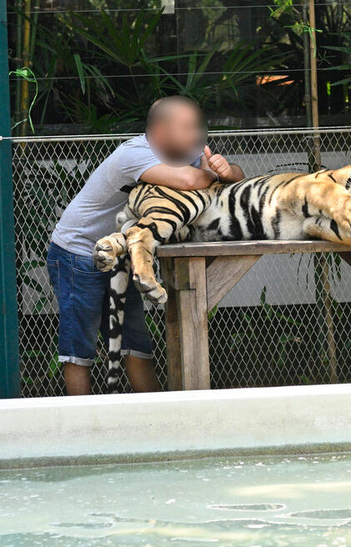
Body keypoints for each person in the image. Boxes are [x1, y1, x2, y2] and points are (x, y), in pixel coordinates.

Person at [48, 96, 246, 395]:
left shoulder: (185, 152)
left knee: (135, 340)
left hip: (123, 254)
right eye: (188, 126)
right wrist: (212, 174)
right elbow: (192, 180)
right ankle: (84, 427)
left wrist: (229, 171)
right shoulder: (135, 153)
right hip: (78, 252)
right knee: (80, 344)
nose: (196, 134)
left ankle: (153, 422)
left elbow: (237, 182)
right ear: (160, 131)